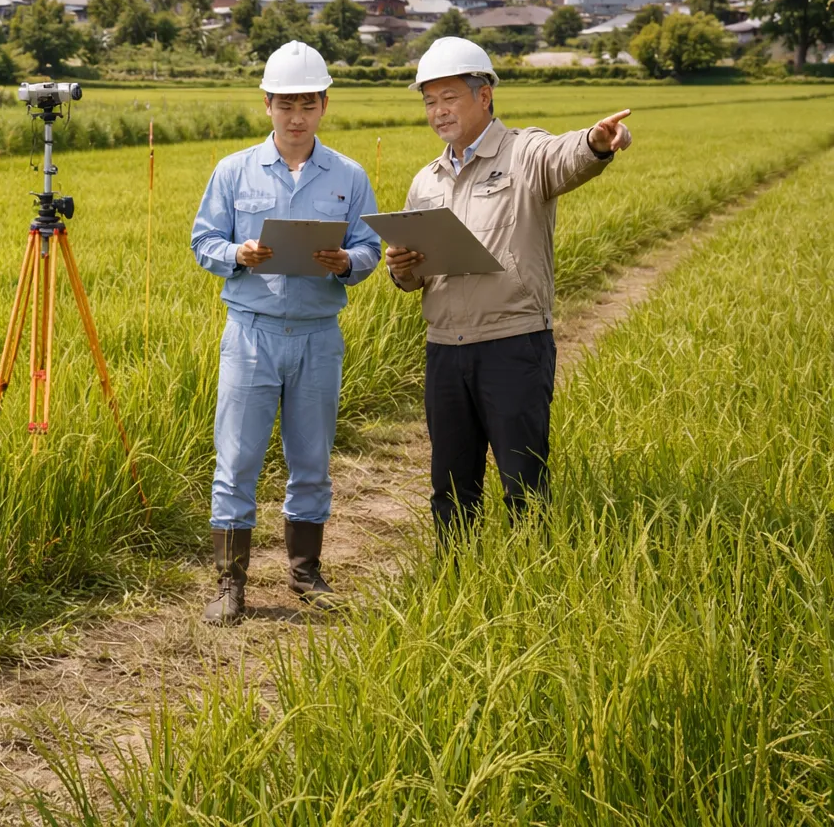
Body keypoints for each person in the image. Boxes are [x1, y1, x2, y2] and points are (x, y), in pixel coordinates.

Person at [384, 36, 633, 541]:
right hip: (445, 351)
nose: (438, 111)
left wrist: (596, 142)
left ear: (484, 95)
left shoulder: (524, 153)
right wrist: (400, 265)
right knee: (451, 488)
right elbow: (412, 280)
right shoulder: (426, 181)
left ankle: (532, 581)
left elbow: (565, 156)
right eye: (430, 101)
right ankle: (457, 578)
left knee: (524, 485)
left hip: (513, 345)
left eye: (449, 97)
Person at [190, 40, 381, 624]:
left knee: (312, 459)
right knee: (237, 459)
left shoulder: (348, 175)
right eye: (285, 105)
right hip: (250, 333)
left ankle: (304, 572)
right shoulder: (234, 170)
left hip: (318, 334)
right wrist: (239, 253)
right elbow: (203, 242)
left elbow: (370, 246)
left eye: (308, 105)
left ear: (324, 105)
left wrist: (347, 263)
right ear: (267, 105)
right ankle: (231, 584)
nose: (296, 117)